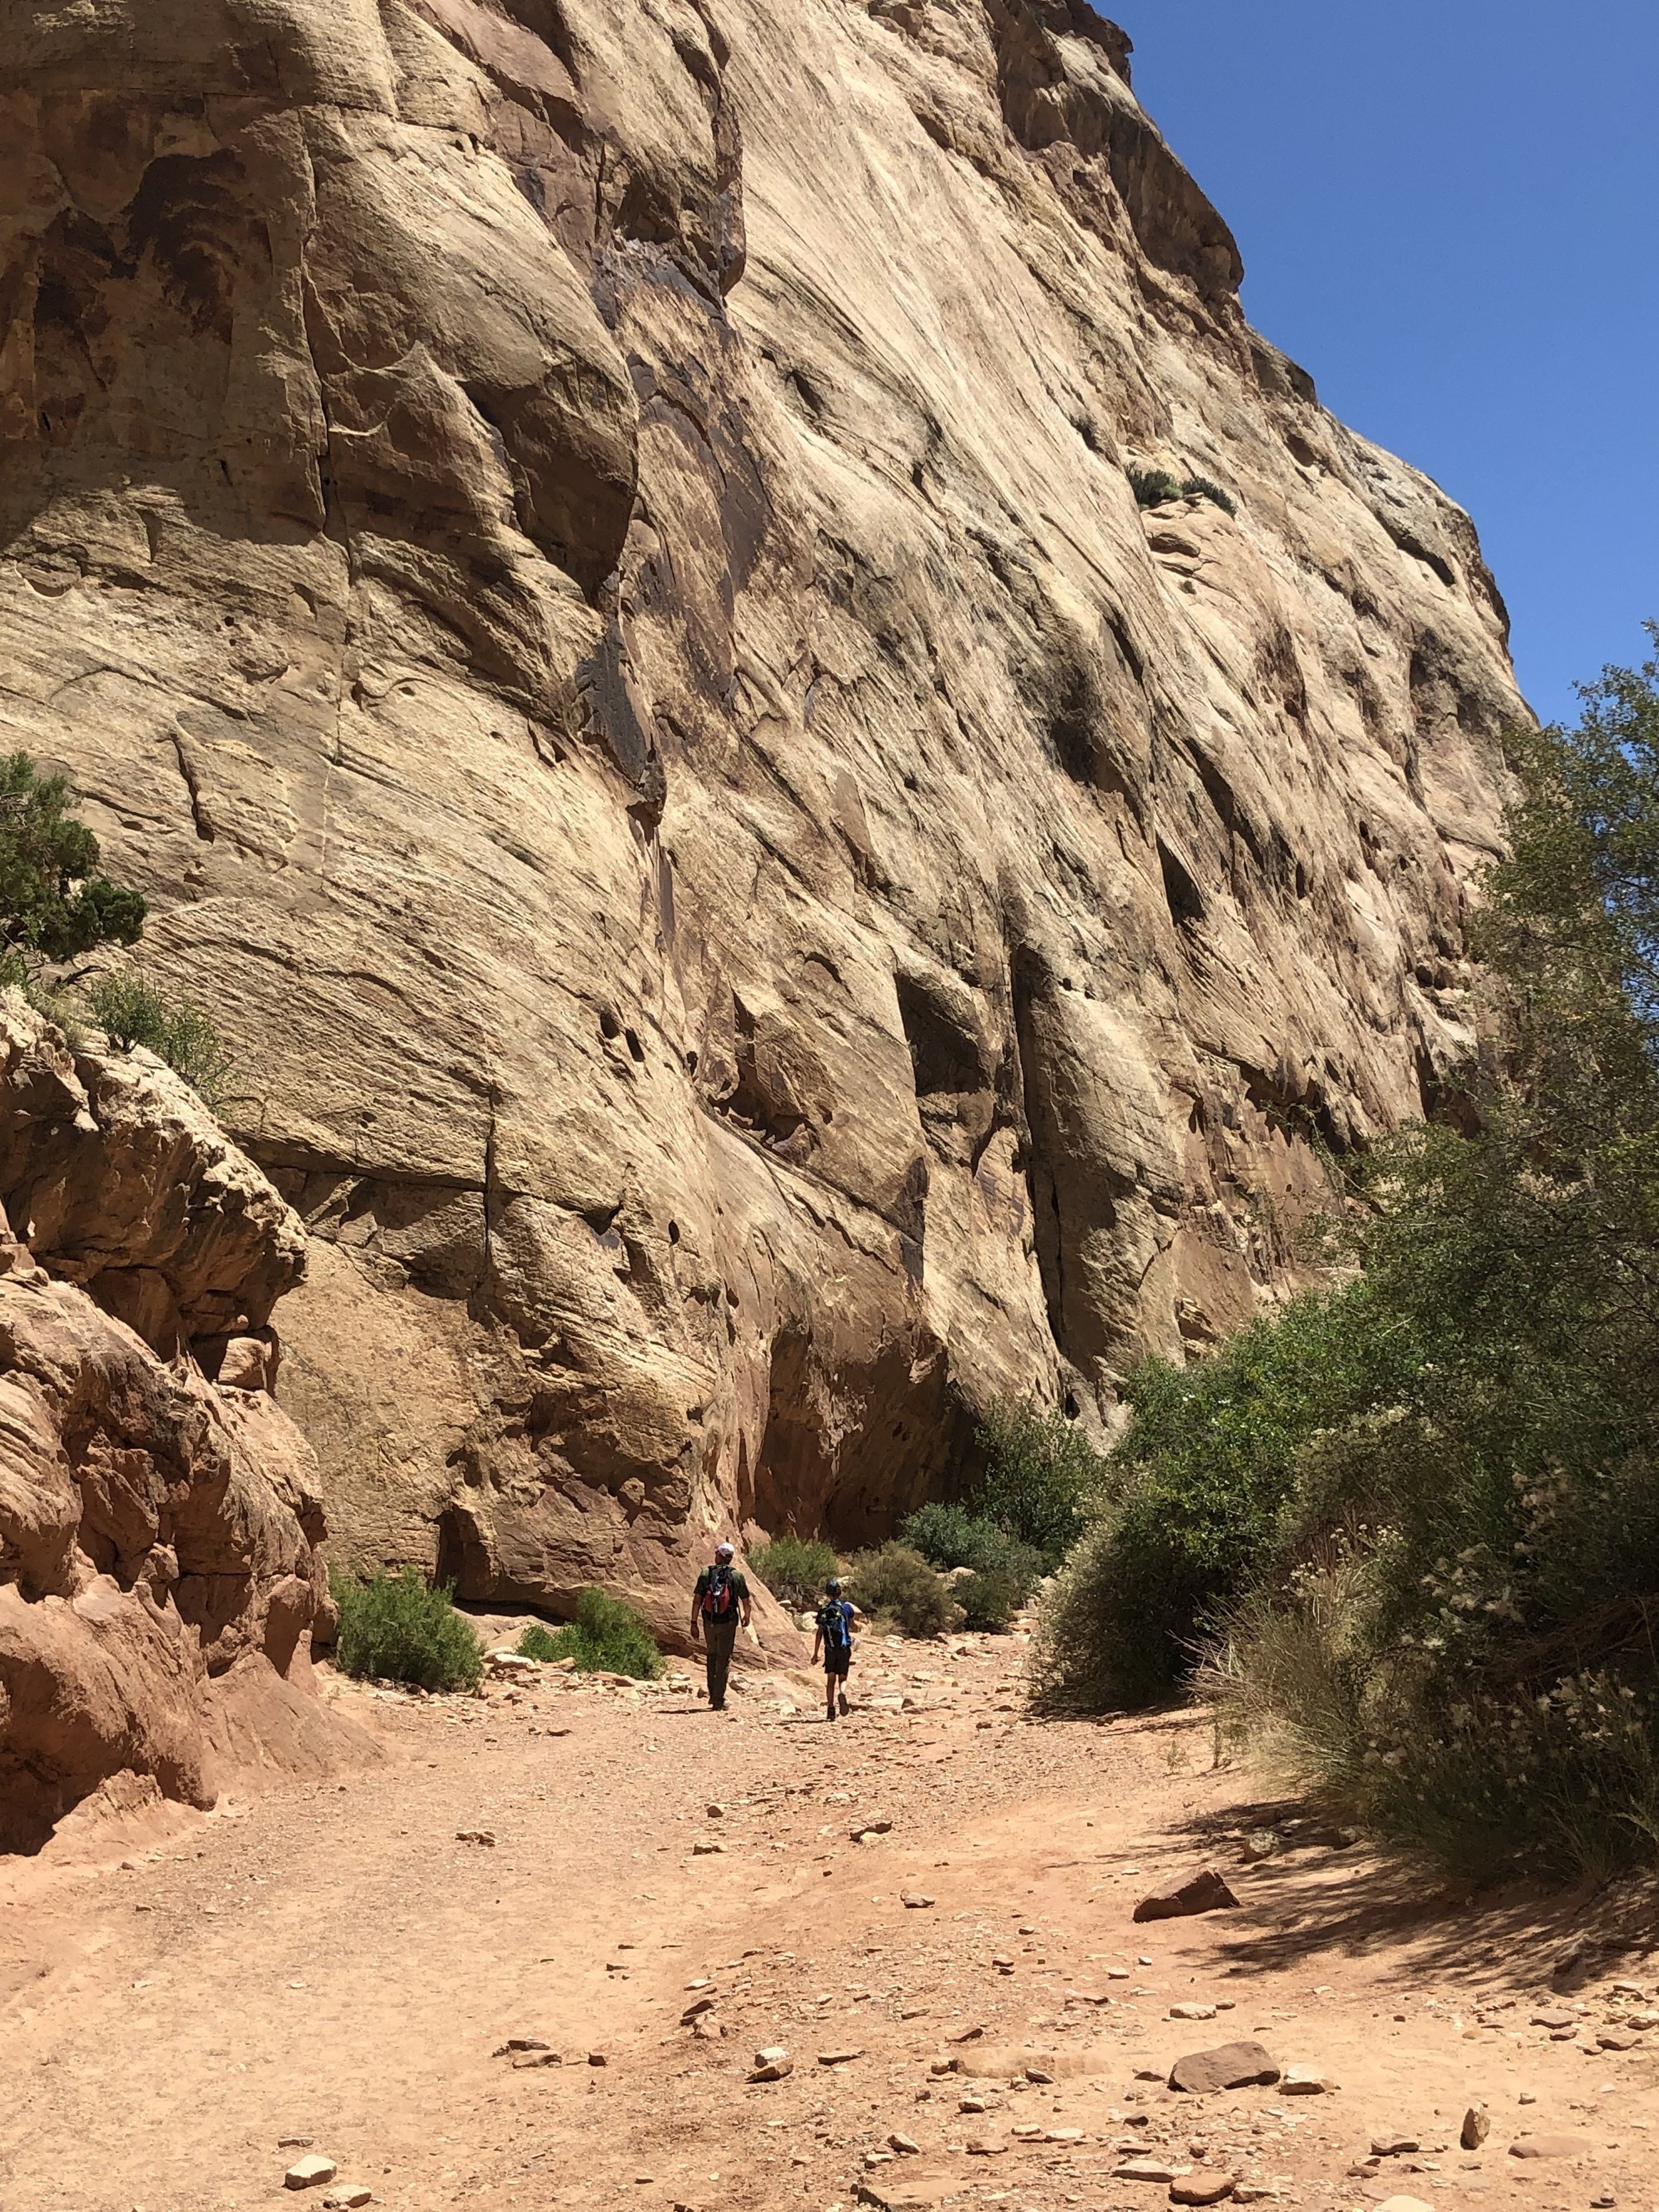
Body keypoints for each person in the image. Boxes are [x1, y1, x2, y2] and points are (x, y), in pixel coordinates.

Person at [689, 1539, 752, 1711]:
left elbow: (697, 1600)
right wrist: (747, 1616)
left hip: (709, 1621)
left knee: (711, 1656)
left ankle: (713, 1695)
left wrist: (693, 1622)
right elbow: (746, 1600)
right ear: (730, 1558)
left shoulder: (706, 1573)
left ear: (719, 1556)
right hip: (728, 1622)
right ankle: (718, 1699)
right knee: (724, 1660)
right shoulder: (737, 1576)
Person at [812, 1576, 857, 1721]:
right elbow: (852, 1625)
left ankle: (831, 1710)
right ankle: (842, 1693)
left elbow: (819, 1633)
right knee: (842, 1677)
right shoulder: (847, 1608)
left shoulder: (823, 1611)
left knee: (831, 1680)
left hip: (830, 1649)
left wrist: (815, 1654)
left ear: (828, 1594)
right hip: (844, 1648)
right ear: (840, 1593)